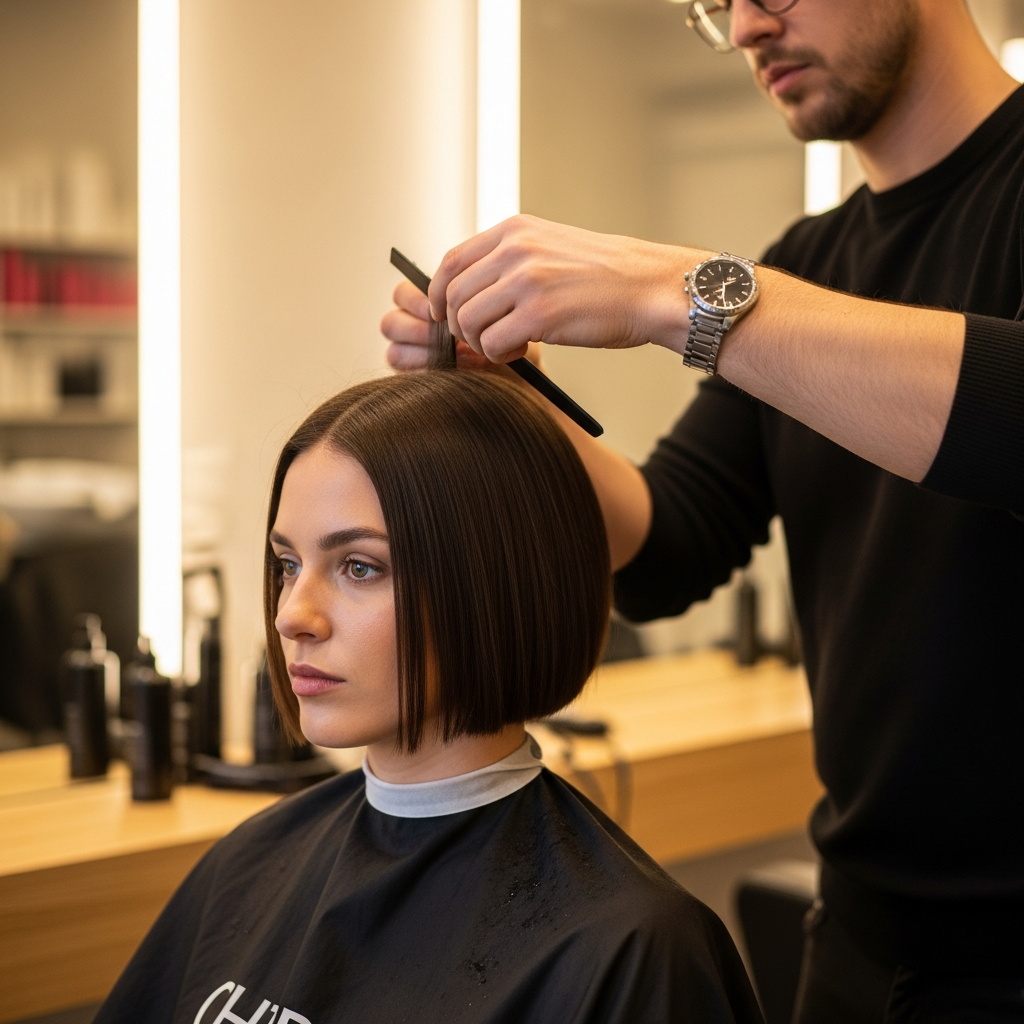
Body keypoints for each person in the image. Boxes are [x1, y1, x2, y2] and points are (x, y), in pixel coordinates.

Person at [381, 1, 1023, 1020]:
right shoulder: (809, 265)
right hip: (859, 948)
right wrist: (514, 407)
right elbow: (667, 541)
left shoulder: (777, 291)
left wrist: (678, 293)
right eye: (717, 6)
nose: (749, 27)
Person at [93, 372, 764, 1024]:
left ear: (495, 589)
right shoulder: (248, 861)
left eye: (360, 567)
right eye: (287, 565)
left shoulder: (630, 948)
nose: (292, 615)